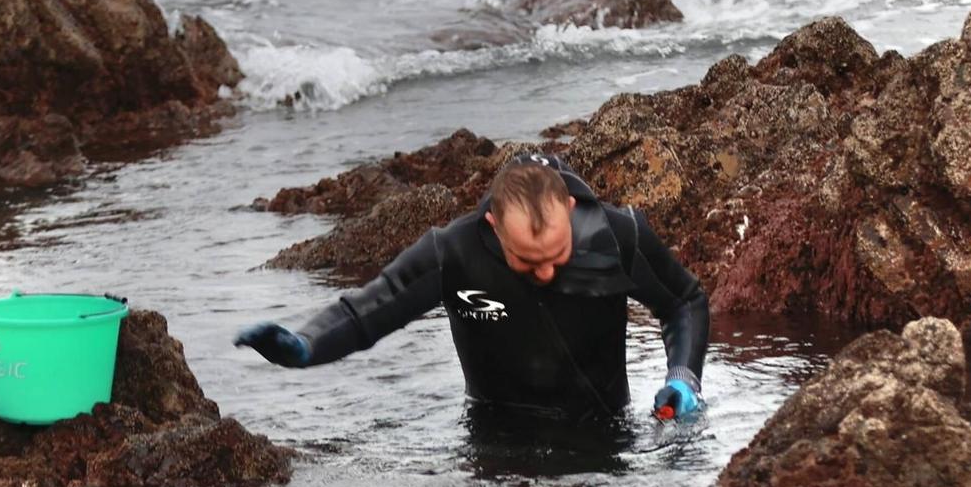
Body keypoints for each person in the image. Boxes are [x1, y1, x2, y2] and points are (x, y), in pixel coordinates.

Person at [236, 153, 708, 425]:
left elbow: (683, 302)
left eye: (556, 255)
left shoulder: (617, 234)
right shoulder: (453, 252)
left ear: (568, 207)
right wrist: (303, 346)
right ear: (493, 226)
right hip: (495, 439)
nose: (544, 273)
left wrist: (683, 378)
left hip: (605, 432)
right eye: (526, 259)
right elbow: (367, 312)